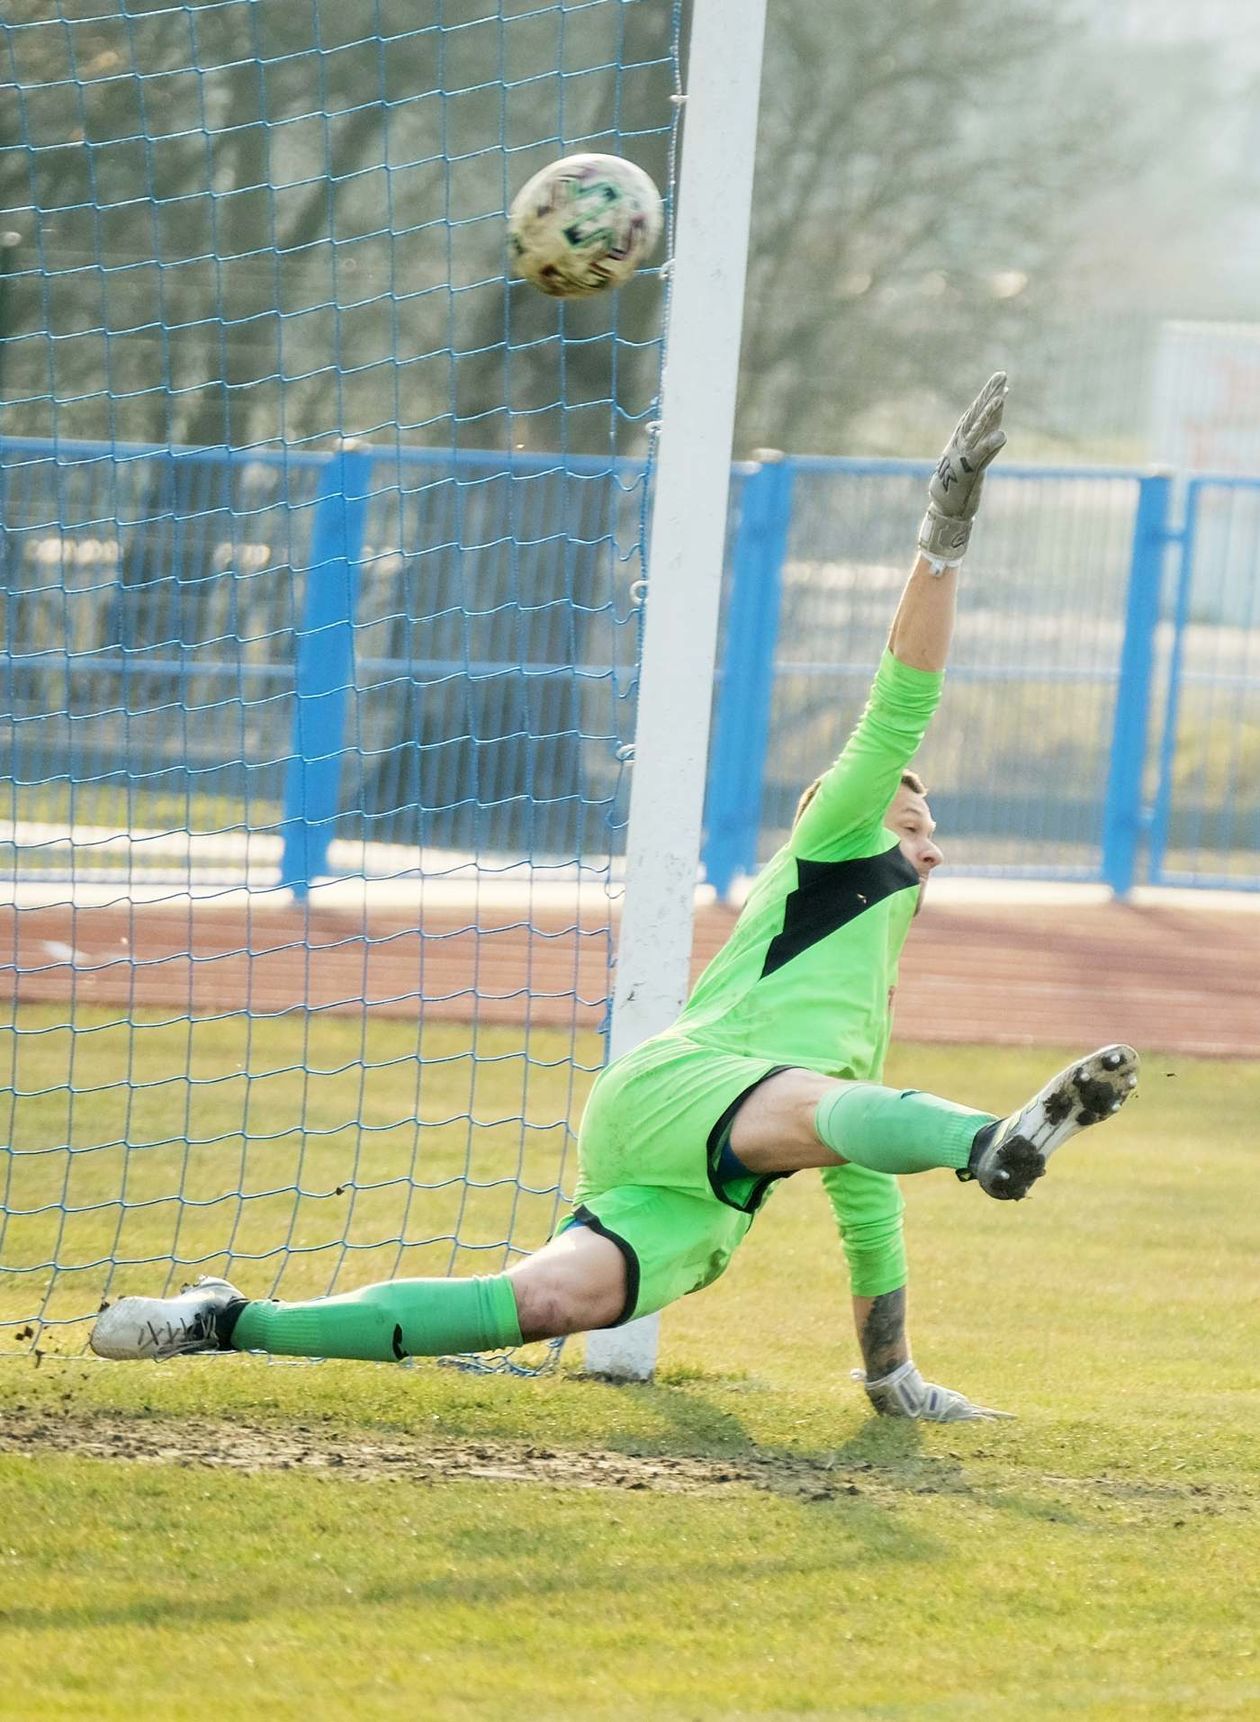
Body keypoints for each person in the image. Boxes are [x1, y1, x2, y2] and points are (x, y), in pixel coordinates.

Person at [91, 374, 1139, 1419]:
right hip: (686, 1088)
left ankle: (228, 1320)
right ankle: (990, 1143)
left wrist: (890, 1376)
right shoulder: (829, 844)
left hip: (693, 1186)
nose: (931, 847)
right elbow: (901, 701)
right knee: (841, 1115)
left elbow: (864, 1198)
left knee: (545, 1300)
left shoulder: (853, 1040)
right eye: (914, 826)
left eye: (935, 835)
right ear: (852, 818)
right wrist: (943, 532)